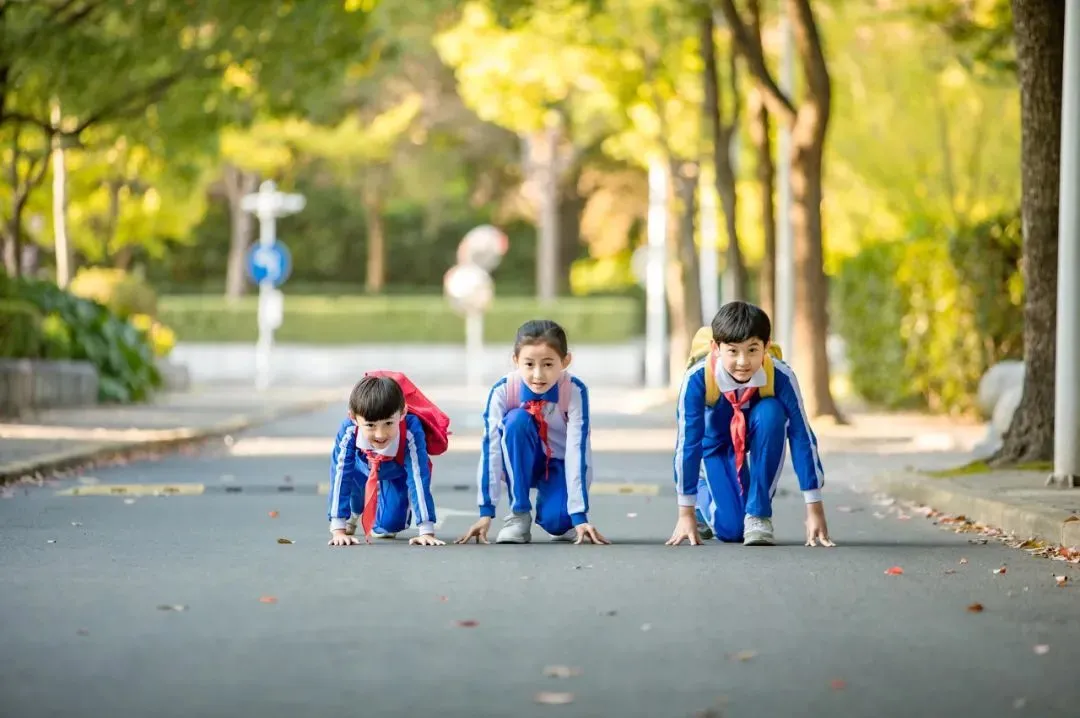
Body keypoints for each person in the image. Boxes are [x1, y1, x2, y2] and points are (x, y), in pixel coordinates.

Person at [665, 301, 835, 548]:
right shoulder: (698, 378)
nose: (743, 361)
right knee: (732, 530)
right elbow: (687, 443)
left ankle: (758, 514)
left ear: (766, 346)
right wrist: (685, 513)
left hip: (759, 434)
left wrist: (815, 508)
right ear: (716, 348)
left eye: (752, 350)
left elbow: (801, 437)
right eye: (732, 351)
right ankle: (704, 491)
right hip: (716, 443)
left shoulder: (780, 375)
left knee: (772, 412)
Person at [456, 319, 610, 546]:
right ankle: (519, 514)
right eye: (529, 364)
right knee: (516, 421)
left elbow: (578, 451)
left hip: (558, 464)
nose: (538, 375)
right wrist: (485, 511)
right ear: (515, 360)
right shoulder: (503, 390)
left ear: (565, 361)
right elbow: (491, 449)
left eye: (548, 364)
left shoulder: (574, 391)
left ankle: (556, 511)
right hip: (519, 460)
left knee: (558, 523)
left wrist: (578, 514)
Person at [327, 375, 444, 547]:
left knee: (388, 528)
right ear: (353, 417)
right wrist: (338, 529)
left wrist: (426, 530)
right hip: (360, 470)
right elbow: (340, 474)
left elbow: (418, 477)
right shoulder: (349, 430)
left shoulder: (410, 429)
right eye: (370, 425)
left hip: (395, 471)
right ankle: (354, 510)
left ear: (402, 413)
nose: (380, 434)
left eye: (389, 423)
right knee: (352, 489)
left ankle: (382, 507)